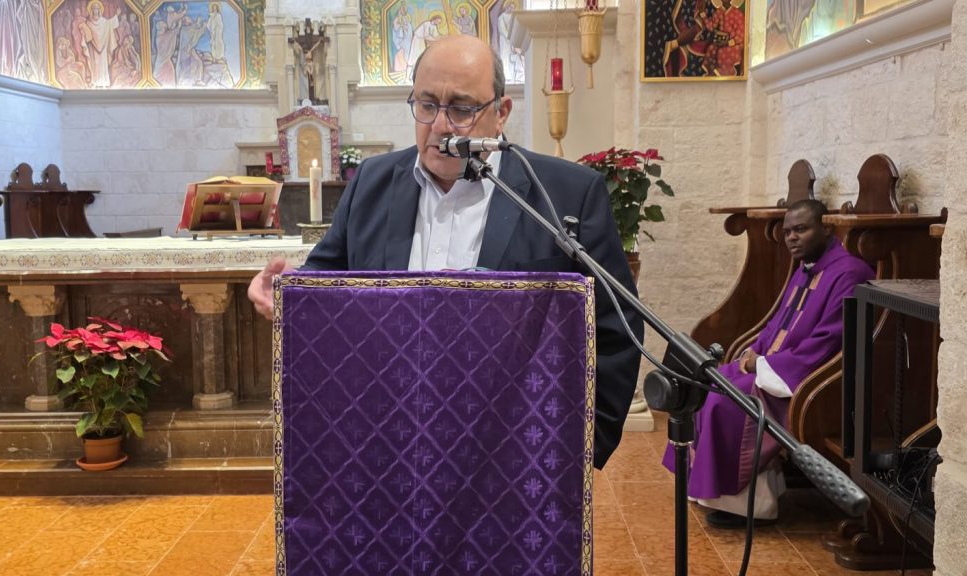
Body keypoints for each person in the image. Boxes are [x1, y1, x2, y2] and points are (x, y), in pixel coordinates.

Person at [248, 34, 643, 470]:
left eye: (461, 108)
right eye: (427, 104)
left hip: (513, 455)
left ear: (501, 113)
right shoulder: (371, 185)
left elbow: (616, 329)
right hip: (388, 450)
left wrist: (574, 453)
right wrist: (284, 292)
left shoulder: (566, 193)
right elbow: (324, 290)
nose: (440, 125)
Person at [664, 199, 874, 527]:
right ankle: (707, 487)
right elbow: (777, 324)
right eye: (788, 231)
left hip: (804, 380)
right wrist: (754, 352)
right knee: (703, 384)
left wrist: (763, 364)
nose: (792, 238)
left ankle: (748, 506)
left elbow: (830, 341)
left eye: (801, 229)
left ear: (827, 228)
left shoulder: (849, 273)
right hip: (773, 367)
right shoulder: (807, 268)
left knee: (723, 403)